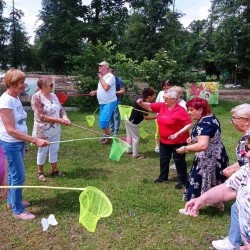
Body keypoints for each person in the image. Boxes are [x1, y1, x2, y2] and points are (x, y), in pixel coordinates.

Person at [183, 135, 250, 249]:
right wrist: (202, 199)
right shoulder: (246, 170)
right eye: (248, 149)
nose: (247, 154)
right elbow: (226, 189)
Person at [0, 69, 48, 220]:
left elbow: (19, 123)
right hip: (11, 144)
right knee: (19, 176)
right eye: (21, 82)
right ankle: (18, 211)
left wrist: (24, 142)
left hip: (18, 143)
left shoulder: (15, 97)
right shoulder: (6, 101)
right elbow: (11, 130)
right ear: (12, 84)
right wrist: (34, 140)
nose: (24, 85)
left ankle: (12, 202)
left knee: (16, 176)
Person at [176, 97, 229, 212]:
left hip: (207, 158)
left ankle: (192, 208)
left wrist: (185, 148)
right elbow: (209, 136)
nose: (189, 113)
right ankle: (218, 204)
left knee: (198, 180)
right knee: (214, 179)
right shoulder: (210, 117)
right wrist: (194, 139)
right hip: (218, 155)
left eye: (191, 110)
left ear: (200, 109)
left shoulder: (204, 124)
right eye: (188, 110)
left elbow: (203, 145)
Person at [212, 104, 250, 250]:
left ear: (246, 120)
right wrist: (234, 167)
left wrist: (235, 171)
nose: (232, 121)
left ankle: (233, 242)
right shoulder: (247, 136)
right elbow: (244, 160)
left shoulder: (248, 138)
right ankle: (234, 239)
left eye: (234, 118)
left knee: (238, 207)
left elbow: (246, 163)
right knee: (236, 208)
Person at [137, 89, 192, 188]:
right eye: (164, 98)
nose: (164, 99)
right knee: (164, 159)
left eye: (166, 98)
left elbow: (188, 124)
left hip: (178, 141)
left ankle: (183, 181)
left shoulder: (180, 110)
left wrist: (178, 133)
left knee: (179, 161)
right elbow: (148, 106)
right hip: (164, 140)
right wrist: (141, 103)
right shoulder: (162, 106)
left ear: (173, 99)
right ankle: (163, 177)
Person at [31, 76, 71, 182]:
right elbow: (41, 116)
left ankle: (54, 170)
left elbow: (61, 109)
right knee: (43, 150)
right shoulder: (36, 97)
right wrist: (58, 120)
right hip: (43, 129)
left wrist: (65, 117)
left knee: (54, 149)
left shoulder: (53, 96)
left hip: (56, 128)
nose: (52, 86)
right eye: (51, 85)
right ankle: (40, 172)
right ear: (43, 86)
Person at [89, 61, 117, 144]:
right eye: (99, 66)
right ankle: (105, 136)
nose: (99, 67)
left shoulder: (110, 76)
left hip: (109, 102)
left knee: (103, 121)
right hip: (102, 103)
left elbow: (106, 87)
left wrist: (100, 78)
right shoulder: (104, 77)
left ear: (106, 67)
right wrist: (95, 92)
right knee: (102, 122)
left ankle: (108, 138)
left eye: (100, 66)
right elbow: (102, 88)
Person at [125, 87, 156, 159]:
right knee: (136, 138)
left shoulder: (140, 98)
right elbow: (146, 117)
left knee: (129, 136)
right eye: (153, 95)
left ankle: (128, 150)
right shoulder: (143, 104)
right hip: (132, 121)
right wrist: (156, 116)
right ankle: (135, 155)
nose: (154, 97)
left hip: (127, 118)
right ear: (149, 96)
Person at [154, 80, 172, 153]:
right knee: (158, 131)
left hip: (170, 116)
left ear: (171, 86)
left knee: (169, 131)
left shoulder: (174, 94)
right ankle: (157, 146)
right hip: (159, 116)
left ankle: (168, 145)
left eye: (168, 85)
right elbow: (156, 103)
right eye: (164, 85)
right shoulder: (161, 93)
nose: (166, 87)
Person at [109, 68, 125, 137]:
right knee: (110, 115)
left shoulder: (119, 80)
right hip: (108, 100)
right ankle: (112, 128)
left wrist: (114, 93)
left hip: (116, 101)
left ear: (114, 73)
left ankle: (116, 131)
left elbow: (122, 91)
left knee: (116, 116)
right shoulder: (107, 80)